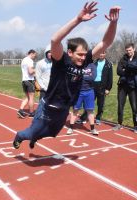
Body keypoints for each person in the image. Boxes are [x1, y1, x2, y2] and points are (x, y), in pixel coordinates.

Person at [13, 2, 120, 149]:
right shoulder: (61, 60)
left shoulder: (86, 60)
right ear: (70, 53)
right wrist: (78, 19)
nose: (83, 58)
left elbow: (105, 42)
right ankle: (21, 136)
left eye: (85, 55)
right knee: (32, 132)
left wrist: (113, 23)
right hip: (48, 107)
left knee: (51, 133)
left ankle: (35, 138)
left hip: (63, 109)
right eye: (79, 54)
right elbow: (55, 40)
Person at [112, 43, 137, 133]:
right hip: (122, 85)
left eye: (130, 50)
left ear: (134, 49)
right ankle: (119, 123)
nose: (128, 52)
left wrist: (126, 68)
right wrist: (129, 69)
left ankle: (136, 125)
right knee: (120, 105)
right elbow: (118, 71)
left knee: (134, 106)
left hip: (133, 86)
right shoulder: (123, 58)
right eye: (127, 50)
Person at [77, 51, 113, 125]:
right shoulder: (94, 63)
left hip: (102, 86)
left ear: (105, 54)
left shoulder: (108, 64)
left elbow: (110, 77)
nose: (101, 54)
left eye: (103, 53)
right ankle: (83, 118)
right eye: (100, 53)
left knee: (100, 104)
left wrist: (108, 89)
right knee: (88, 103)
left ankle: (98, 118)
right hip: (93, 84)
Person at [67, 62, 98, 135]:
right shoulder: (76, 65)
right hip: (78, 91)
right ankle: (71, 128)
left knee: (90, 110)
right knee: (75, 110)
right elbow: (72, 79)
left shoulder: (92, 65)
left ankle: (92, 129)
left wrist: (80, 76)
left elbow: (93, 77)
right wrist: (86, 76)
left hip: (89, 91)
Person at [17, 49, 37, 118]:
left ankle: (21, 110)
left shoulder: (23, 60)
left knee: (28, 97)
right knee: (31, 97)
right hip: (29, 81)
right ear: (32, 53)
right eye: (35, 55)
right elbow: (30, 72)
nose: (35, 57)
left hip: (24, 80)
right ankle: (31, 113)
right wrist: (37, 70)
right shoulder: (30, 61)